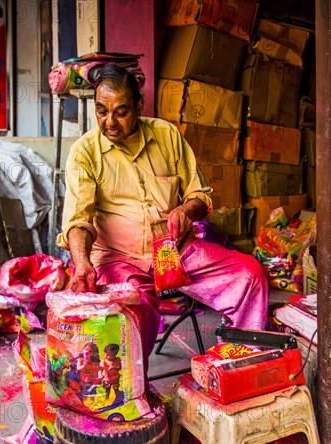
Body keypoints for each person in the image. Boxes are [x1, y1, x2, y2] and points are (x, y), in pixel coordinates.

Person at [57, 63, 269, 378]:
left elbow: (199, 195)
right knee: (132, 311)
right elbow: (79, 220)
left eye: (121, 112)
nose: (110, 122)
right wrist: (82, 261)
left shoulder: (166, 135)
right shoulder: (85, 153)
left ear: (139, 108)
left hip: (173, 251)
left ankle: (240, 363)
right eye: (102, 112)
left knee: (250, 274)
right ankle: (127, 390)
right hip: (119, 258)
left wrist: (187, 211)